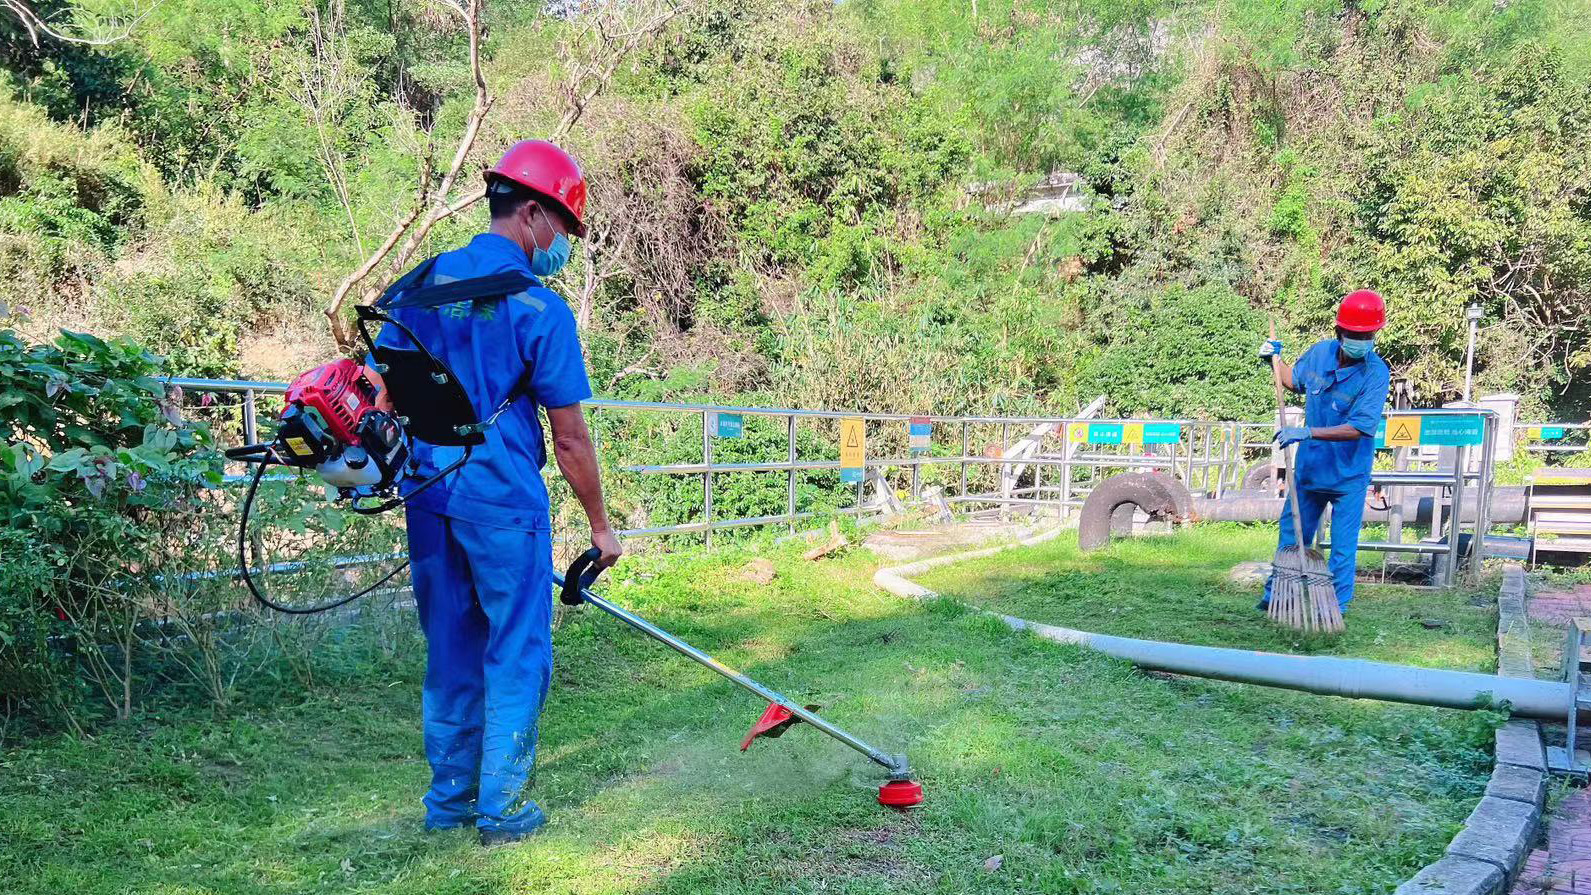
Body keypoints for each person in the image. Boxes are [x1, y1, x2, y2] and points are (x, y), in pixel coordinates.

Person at [369, 139, 622, 847]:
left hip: (428, 493)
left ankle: (448, 802)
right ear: (533, 214)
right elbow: (570, 439)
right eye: (564, 228)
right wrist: (601, 527)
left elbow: (377, 389)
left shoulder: (418, 284)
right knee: (514, 648)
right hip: (503, 497)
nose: (563, 245)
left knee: (451, 646)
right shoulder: (539, 309)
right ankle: (502, 808)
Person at [1258, 289, 1391, 613]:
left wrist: (1308, 432)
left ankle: (1335, 607)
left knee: (1343, 548)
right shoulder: (1320, 353)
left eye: (1368, 335)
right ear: (1339, 331)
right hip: (1310, 470)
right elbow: (1293, 381)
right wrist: (1274, 361)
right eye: (1356, 334)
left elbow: (1360, 428)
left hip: (1349, 475)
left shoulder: (1376, 373)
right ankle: (1278, 596)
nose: (1362, 340)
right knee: (1291, 538)